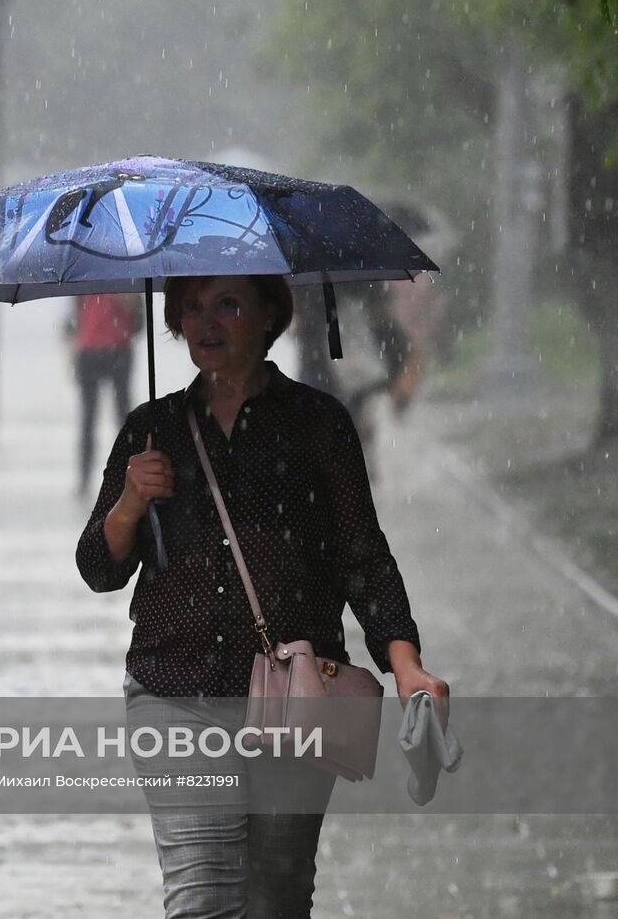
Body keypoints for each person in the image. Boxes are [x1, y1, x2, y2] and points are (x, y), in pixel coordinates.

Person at [75, 274, 449, 918]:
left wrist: (407, 666)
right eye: (191, 308)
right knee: (201, 901)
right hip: (176, 693)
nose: (206, 322)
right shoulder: (151, 429)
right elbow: (98, 568)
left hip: (297, 696)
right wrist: (131, 501)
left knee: (276, 899)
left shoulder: (317, 424)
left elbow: (362, 558)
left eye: (227, 304)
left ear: (270, 315)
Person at [65, 292, 144, 498]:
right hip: (90, 349)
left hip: (119, 348)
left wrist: (127, 301)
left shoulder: (127, 277)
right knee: (89, 418)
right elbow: (73, 317)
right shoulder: (86, 275)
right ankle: (84, 479)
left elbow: (138, 322)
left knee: (123, 419)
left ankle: (127, 475)